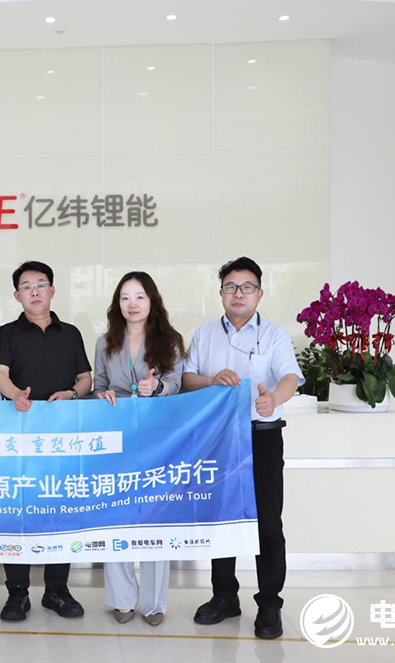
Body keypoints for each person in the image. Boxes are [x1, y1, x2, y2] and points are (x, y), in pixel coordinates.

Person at [181, 257, 303, 640]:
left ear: (259, 293)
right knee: (222, 518)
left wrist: (273, 399)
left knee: (268, 521)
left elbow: (290, 377)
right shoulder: (204, 334)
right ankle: (224, 597)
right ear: (220, 293)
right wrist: (210, 380)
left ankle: (269, 604)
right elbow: (186, 379)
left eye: (247, 287)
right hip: (217, 438)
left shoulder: (274, 335)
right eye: (231, 287)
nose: (239, 294)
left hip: (262, 435)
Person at [0, 261, 93, 622]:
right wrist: (17, 395)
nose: (34, 292)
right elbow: (0, 374)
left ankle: (56, 590)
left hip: (63, 440)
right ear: (16, 295)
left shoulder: (71, 333)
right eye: (26, 286)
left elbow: (85, 378)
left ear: (52, 291)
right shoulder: (6, 333)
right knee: (16, 511)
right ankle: (17, 593)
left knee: (60, 510)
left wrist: (73, 394)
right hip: (17, 438)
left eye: (41, 284)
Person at [93, 271, 184, 626]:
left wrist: (157, 387)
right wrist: (102, 394)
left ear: (152, 301)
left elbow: (176, 382)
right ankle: (122, 599)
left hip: (157, 437)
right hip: (117, 439)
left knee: (155, 517)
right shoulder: (105, 342)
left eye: (139, 297)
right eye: (125, 297)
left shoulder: (169, 340)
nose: (132, 304)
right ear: (117, 303)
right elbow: (98, 385)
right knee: (116, 515)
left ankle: (155, 602)